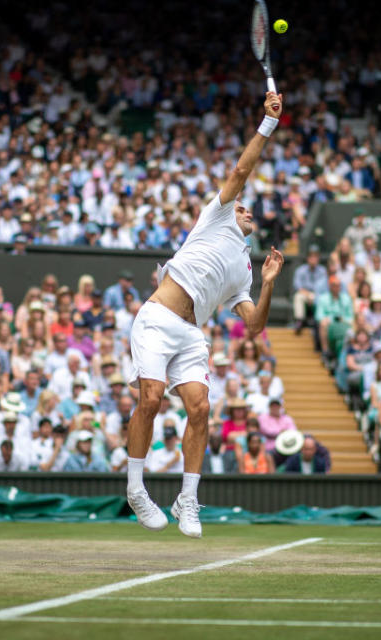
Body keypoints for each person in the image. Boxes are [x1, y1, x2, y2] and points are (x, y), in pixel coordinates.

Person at [124, 91, 286, 538]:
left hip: (192, 336)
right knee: (151, 398)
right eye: (241, 205)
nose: (246, 208)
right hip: (157, 319)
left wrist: (269, 284)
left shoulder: (245, 269)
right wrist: (267, 123)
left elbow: (253, 325)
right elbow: (241, 169)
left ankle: (187, 500)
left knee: (200, 409)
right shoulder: (214, 217)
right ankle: (136, 489)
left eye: (249, 209)